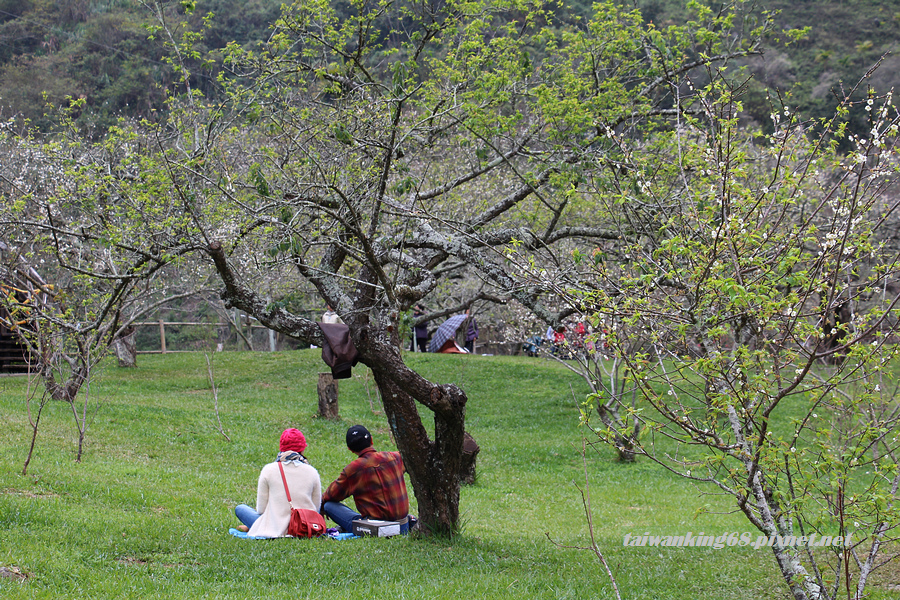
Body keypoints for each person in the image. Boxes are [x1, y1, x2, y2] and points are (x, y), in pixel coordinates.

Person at [321, 425, 411, 534]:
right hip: (403, 525)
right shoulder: (395, 457)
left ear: (350, 449)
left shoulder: (353, 470)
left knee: (329, 506)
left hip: (374, 529)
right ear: (371, 439)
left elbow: (330, 496)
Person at [234, 428, 322, 538]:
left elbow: (261, 509)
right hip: (304, 526)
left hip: (274, 528)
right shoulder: (312, 472)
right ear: (302, 448)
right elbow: (316, 508)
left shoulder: (269, 470)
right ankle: (251, 526)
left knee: (241, 509)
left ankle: (252, 526)